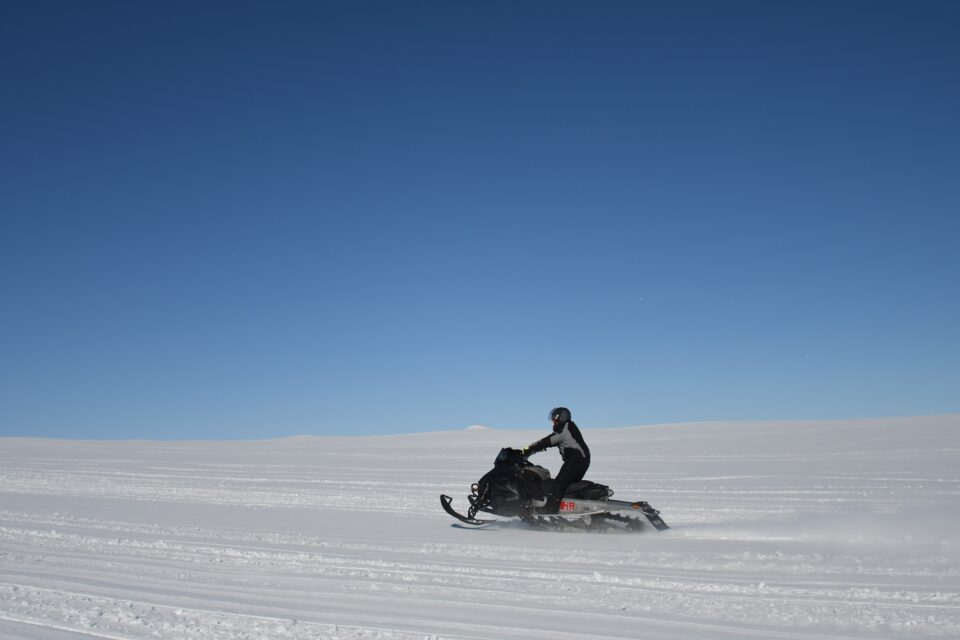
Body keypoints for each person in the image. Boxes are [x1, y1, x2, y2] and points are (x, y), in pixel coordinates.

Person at [523, 407, 590, 513]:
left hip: (576, 460)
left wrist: (527, 450)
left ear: (561, 418)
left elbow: (546, 441)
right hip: (581, 460)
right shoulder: (568, 428)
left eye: (554, 420)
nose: (553, 423)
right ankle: (568, 510)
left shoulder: (564, 430)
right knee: (569, 488)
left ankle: (551, 509)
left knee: (560, 483)